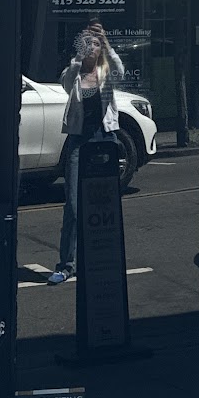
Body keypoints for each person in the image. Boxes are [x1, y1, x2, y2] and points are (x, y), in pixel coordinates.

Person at [50, 24, 124, 283]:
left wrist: (107, 42)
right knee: (73, 205)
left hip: (105, 138)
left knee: (105, 203)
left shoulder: (106, 72)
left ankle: (102, 258)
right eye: (87, 43)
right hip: (79, 140)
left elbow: (120, 70)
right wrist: (79, 58)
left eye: (96, 44)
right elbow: (66, 82)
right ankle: (66, 265)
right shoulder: (73, 74)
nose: (92, 47)